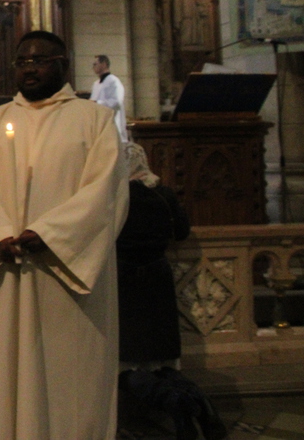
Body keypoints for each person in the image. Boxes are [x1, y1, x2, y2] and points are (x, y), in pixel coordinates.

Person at [0, 30, 128, 439]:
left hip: (64, 275)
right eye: (22, 62)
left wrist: (49, 233)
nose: (29, 69)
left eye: (39, 61)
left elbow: (106, 193)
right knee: (3, 379)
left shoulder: (94, 120)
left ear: (63, 64)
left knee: (70, 379)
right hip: (5, 274)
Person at [117, 144, 226, 440]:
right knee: (161, 359)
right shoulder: (162, 194)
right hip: (158, 277)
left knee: (126, 361)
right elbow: (181, 231)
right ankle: (202, 407)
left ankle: (173, 404)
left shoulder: (116, 196)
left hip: (123, 279)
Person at [91, 54, 128, 142]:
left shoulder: (113, 81)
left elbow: (116, 102)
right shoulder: (96, 84)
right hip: (99, 124)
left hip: (112, 123)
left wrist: (97, 103)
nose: (93, 67)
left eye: (95, 64)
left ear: (103, 64)